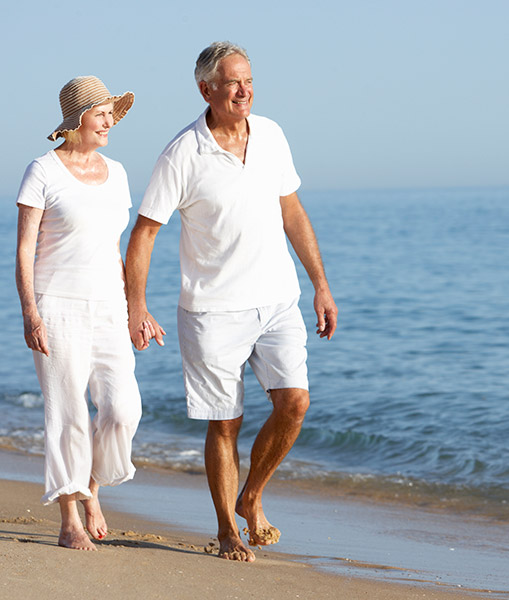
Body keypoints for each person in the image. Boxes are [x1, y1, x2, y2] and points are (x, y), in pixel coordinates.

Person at [125, 41, 337, 563]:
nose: (243, 91)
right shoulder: (182, 153)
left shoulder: (272, 135)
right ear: (206, 90)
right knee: (225, 423)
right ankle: (227, 530)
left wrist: (320, 284)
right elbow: (145, 233)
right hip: (212, 310)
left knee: (295, 403)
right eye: (232, 83)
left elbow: (292, 211)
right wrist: (136, 305)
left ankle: (252, 495)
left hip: (278, 300)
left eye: (248, 80)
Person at [15, 76, 143, 551]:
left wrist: (137, 308)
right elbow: (25, 249)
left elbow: (117, 248)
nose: (110, 121)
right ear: (75, 121)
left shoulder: (119, 172)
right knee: (66, 411)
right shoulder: (42, 171)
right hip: (57, 305)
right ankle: (70, 515)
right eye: (101, 113)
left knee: (123, 408)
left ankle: (91, 484)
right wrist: (31, 312)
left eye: (112, 112)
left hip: (110, 304)